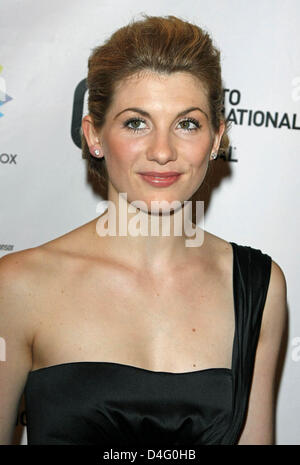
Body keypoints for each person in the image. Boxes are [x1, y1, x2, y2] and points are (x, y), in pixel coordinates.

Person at [0, 14, 287, 446]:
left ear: (215, 139)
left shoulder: (256, 286)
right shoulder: (17, 286)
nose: (162, 151)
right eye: (136, 122)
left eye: (187, 123)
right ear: (93, 135)